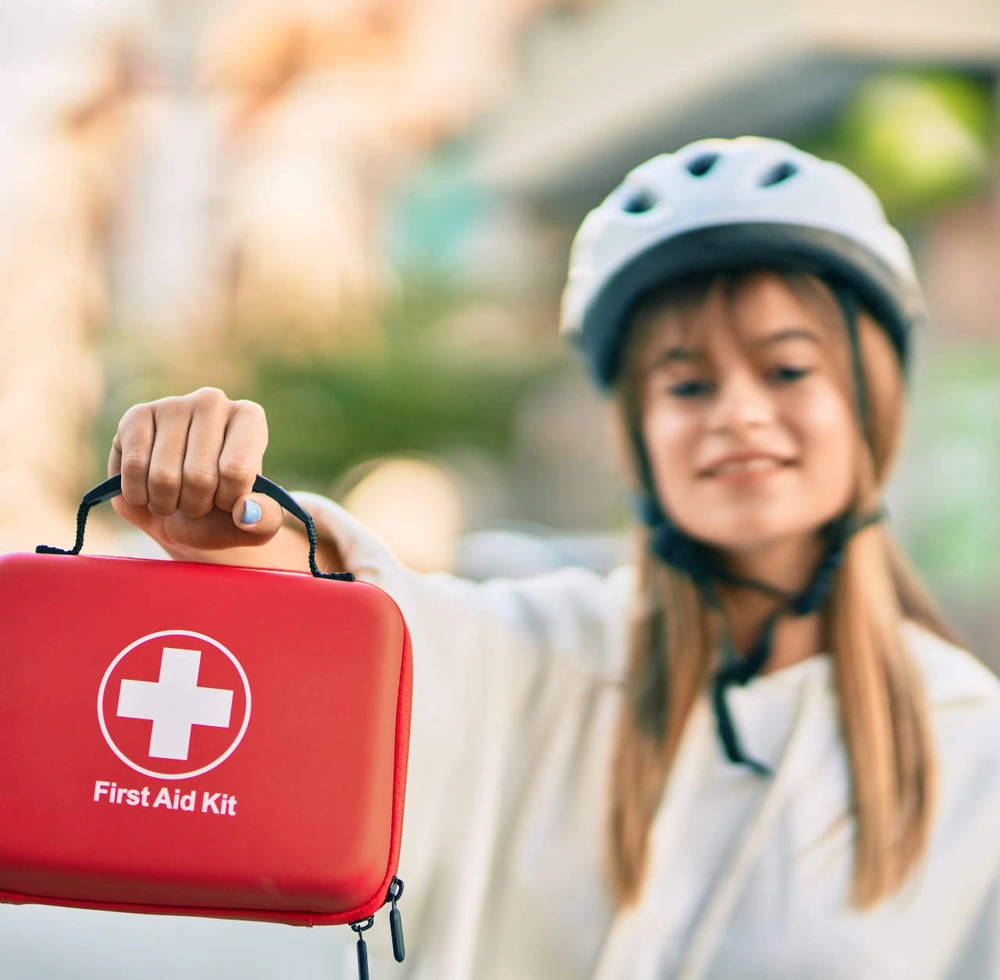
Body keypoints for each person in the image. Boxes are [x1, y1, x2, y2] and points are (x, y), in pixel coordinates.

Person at [109, 136, 1000, 979]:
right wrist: (244, 524)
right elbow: (378, 623)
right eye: (686, 383)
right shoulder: (549, 654)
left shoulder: (973, 749)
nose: (737, 412)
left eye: (787, 369)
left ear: (871, 404)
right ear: (637, 433)